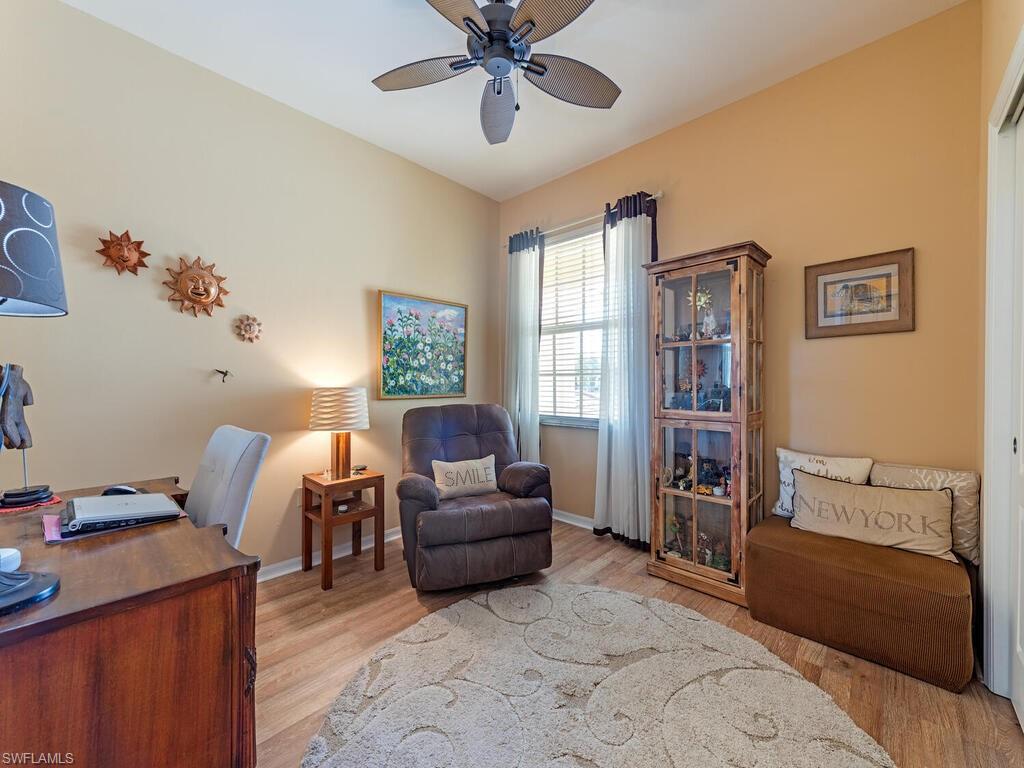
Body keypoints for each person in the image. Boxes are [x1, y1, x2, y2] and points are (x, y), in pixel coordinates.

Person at [0, 365, 34, 450]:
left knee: (16, 443)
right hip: (18, 418)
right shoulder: (25, 384)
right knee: (19, 442)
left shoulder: (6, 375)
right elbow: (28, 401)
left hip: (9, 417)